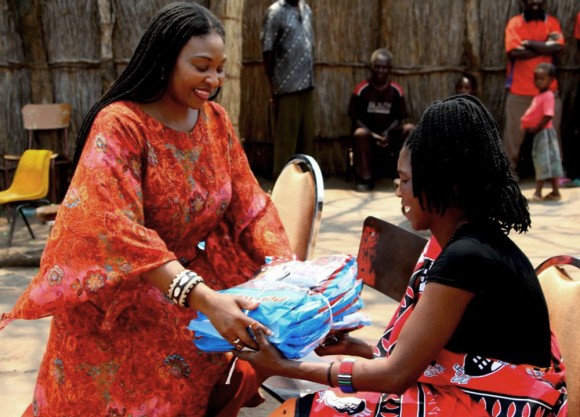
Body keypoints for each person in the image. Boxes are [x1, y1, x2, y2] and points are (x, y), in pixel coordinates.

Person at [0, 3, 292, 417]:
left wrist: (285, 268)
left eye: (220, 68)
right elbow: (108, 224)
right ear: (165, 60)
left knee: (211, 365)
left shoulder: (216, 122)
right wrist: (203, 298)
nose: (213, 79)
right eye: (201, 66)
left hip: (192, 289)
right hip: (122, 298)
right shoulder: (120, 124)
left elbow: (250, 205)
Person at [237, 95, 568, 417]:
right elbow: (423, 356)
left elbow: (396, 376)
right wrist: (358, 350)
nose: (398, 190)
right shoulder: (462, 243)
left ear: (441, 184)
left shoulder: (467, 258)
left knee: (301, 411)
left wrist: (285, 367)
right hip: (482, 393)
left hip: (497, 404)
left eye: (406, 180)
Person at [503, 0, 564, 179]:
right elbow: (514, 52)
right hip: (519, 91)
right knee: (512, 138)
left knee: (553, 135)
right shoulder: (515, 23)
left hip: (549, 93)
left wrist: (528, 43)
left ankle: (556, 176)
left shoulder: (552, 22)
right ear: (523, 2)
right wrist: (545, 46)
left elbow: (558, 47)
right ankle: (508, 175)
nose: (535, 2)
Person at [261, 0, 315, 178]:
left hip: (307, 83)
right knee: (286, 141)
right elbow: (267, 49)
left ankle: (304, 183)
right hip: (287, 86)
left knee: (306, 138)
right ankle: (281, 184)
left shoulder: (306, 9)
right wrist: (272, 85)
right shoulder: (275, 12)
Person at [348, 48, 414, 191]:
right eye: (377, 66)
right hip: (368, 136)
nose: (380, 70)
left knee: (410, 129)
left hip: (390, 135)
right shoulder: (361, 89)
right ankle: (365, 179)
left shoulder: (396, 90)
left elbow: (399, 118)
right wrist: (372, 134)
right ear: (372, 67)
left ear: (389, 69)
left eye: (384, 67)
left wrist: (387, 133)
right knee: (359, 133)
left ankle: (405, 175)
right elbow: (355, 118)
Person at [521, 63, 563, 201]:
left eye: (542, 78)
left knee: (544, 162)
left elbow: (548, 115)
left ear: (551, 80)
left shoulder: (548, 96)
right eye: (536, 78)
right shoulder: (539, 95)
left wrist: (536, 128)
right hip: (540, 134)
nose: (538, 81)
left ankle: (538, 193)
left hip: (544, 133)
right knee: (544, 161)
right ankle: (555, 192)